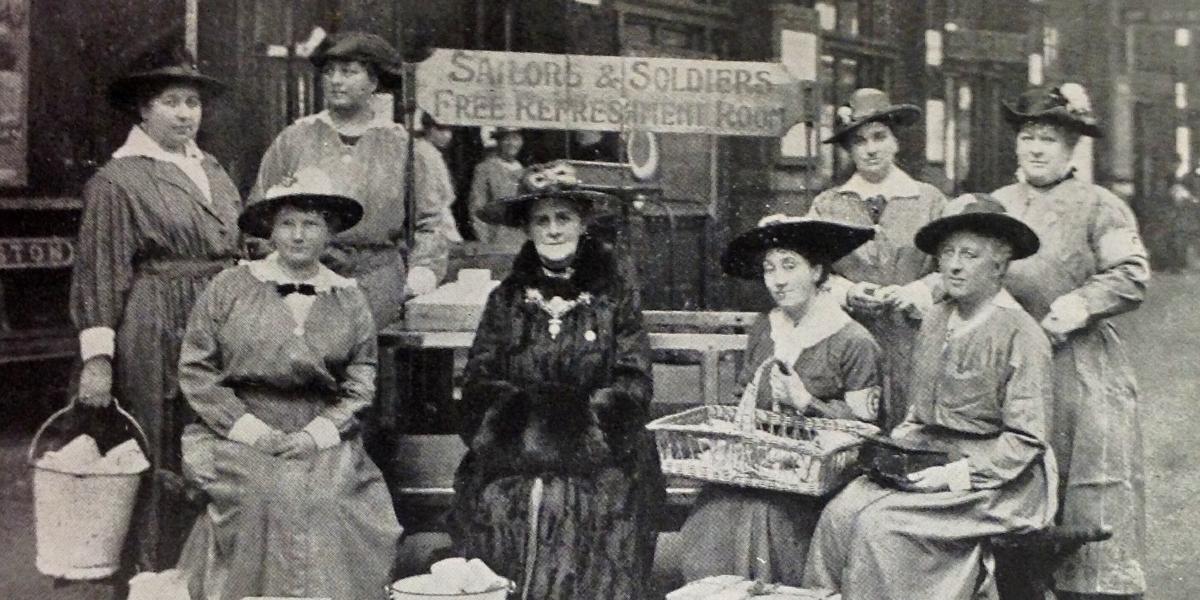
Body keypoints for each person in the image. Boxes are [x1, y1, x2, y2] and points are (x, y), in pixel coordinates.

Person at [803, 194, 1057, 600]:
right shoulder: (936, 318)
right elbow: (919, 416)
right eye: (947, 253)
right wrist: (888, 453)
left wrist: (952, 476)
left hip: (1001, 482)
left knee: (880, 526)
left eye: (970, 254)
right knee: (840, 512)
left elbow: (1026, 441)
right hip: (930, 458)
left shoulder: (1022, 335)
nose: (953, 265)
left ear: (1000, 263)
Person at [175, 167, 402, 600]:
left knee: (329, 498)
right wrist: (252, 432)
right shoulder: (229, 287)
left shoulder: (348, 297)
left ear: (330, 232)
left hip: (322, 427)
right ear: (270, 230)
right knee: (263, 492)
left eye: (311, 224)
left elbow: (360, 377)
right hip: (240, 427)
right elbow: (197, 369)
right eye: (287, 223)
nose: (299, 236)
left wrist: (318, 435)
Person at [448, 161, 666, 599]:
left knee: (588, 507)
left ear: (582, 224)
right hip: (511, 456)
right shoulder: (506, 299)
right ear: (527, 230)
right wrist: (527, 440)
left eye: (563, 218)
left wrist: (579, 437)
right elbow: (477, 385)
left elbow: (633, 382)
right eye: (541, 220)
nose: (552, 230)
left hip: (602, 455)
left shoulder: (614, 294)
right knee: (502, 504)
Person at [69, 36, 240, 571]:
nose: (185, 113)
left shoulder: (212, 169)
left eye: (192, 102)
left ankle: (203, 569)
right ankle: (151, 571)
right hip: (156, 320)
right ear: (144, 108)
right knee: (158, 438)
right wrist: (98, 359)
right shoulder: (118, 180)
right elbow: (99, 271)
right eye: (171, 102)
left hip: (217, 318)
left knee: (213, 441)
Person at [992, 83, 1149, 599]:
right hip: (1008, 362)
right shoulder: (996, 204)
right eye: (1029, 137)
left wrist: (1078, 305)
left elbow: (1131, 272)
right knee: (1014, 480)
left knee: (1086, 488)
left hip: (1077, 364)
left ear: (1071, 147)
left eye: (1050, 139)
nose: (1036, 148)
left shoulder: (1099, 205)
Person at [678, 215, 881, 585]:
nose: (778, 279)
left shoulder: (853, 341)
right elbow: (743, 395)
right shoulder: (766, 326)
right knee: (714, 511)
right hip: (756, 467)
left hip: (816, 482)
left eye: (790, 266)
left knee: (764, 515)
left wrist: (808, 403)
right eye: (769, 268)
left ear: (818, 271)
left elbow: (866, 432)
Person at [251, 31, 447, 327]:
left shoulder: (401, 145)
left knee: (369, 367)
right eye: (329, 72)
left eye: (349, 72)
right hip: (306, 281)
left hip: (378, 285)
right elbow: (259, 213)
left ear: (373, 82)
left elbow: (430, 223)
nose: (336, 80)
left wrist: (420, 274)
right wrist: (279, 270)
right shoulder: (295, 139)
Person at [805, 88, 948, 431]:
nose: (870, 149)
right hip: (848, 346)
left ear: (896, 141)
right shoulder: (828, 205)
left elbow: (957, 268)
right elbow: (809, 272)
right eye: (859, 141)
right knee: (851, 433)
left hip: (916, 343)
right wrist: (847, 292)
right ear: (848, 149)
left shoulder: (930, 202)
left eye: (879, 137)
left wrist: (920, 291)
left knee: (913, 433)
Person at [469, 126, 526, 250]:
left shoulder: (525, 173)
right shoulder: (485, 169)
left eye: (515, 138)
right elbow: (477, 208)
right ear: (499, 142)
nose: (511, 144)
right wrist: (485, 242)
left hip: (522, 240)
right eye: (506, 139)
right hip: (496, 241)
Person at [416, 111, 464, 244]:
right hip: (430, 223)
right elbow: (428, 195)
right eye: (441, 129)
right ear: (428, 129)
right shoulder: (423, 152)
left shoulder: (433, 152)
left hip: (439, 220)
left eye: (449, 130)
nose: (447, 135)